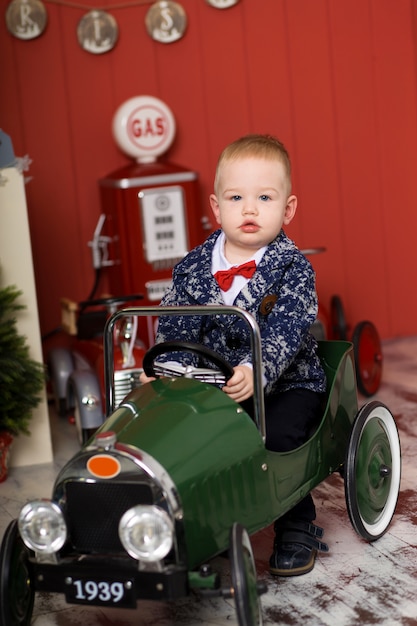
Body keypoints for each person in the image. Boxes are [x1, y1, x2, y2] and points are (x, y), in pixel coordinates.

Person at [140, 133, 328, 576]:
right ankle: (204, 524)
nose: (249, 209)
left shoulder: (294, 268)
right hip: (211, 384)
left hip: (285, 383)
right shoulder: (192, 267)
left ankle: (296, 525)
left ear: (288, 208)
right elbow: (176, 324)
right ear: (215, 207)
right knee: (191, 441)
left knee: (276, 437)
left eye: (264, 197)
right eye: (236, 197)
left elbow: (286, 329)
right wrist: (167, 370)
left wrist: (253, 368)